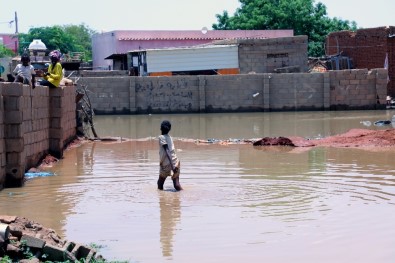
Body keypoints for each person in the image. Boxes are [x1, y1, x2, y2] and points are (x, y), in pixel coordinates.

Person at [158, 120, 183, 191]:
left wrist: (172, 166)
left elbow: (167, 151)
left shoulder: (161, 137)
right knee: (176, 185)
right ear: (169, 129)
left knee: (160, 184)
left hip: (166, 164)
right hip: (175, 162)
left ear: (161, 128)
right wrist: (174, 166)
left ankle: (161, 200)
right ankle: (183, 194)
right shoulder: (170, 137)